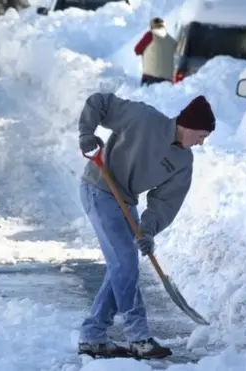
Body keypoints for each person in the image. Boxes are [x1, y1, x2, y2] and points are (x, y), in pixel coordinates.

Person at [76, 93, 216, 358]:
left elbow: (164, 202)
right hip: (99, 188)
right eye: (200, 136)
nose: (201, 143)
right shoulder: (144, 118)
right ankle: (137, 336)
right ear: (187, 126)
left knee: (121, 268)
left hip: (126, 201)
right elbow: (99, 102)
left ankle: (92, 336)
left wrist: (147, 231)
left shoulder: (183, 162)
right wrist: (86, 132)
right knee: (125, 264)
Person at [134, 17, 177, 86]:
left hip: (151, 77)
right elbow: (177, 48)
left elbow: (137, 50)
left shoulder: (150, 35)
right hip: (168, 78)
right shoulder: (168, 38)